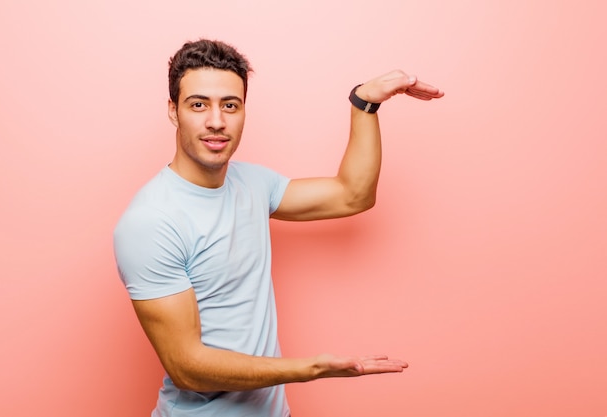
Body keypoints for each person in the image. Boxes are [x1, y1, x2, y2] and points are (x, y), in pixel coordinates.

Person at [113, 39, 444, 417]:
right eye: (198, 104)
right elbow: (189, 370)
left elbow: (353, 195)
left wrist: (364, 104)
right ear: (174, 111)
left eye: (230, 105)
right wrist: (312, 369)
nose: (217, 121)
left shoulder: (252, 183)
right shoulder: (151, 222)